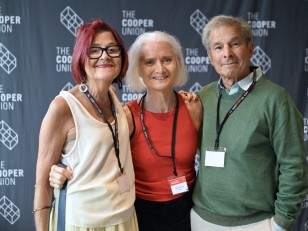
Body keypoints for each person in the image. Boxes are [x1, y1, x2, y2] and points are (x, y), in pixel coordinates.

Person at [49, 31, 202, 231]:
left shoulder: (193, 106)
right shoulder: (126, 115)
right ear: (138, 68)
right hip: (140, 213)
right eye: (149, 62)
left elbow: (209, 158)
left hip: (187, 210)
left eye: (167, 60)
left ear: (178, 63)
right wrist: (60, 169)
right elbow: (98, 157)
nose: (160, 68)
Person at [190, 15, 308, 231]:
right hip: (202, 220)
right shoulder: (201, 98)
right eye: (218, 47)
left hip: (256, 223)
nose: (227, 53)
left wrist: (280, 224)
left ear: (250, 48)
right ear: (210, 56)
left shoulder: (276, 99)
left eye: (234, 43)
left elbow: (294, 166)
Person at [33, 18, 138, 231]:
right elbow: (42, 184)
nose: (105, 56)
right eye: (94, 50)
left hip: (125, 217)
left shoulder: (113, 95)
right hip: (83, 223)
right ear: (81, 57)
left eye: (112, 49)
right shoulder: (62, 108)